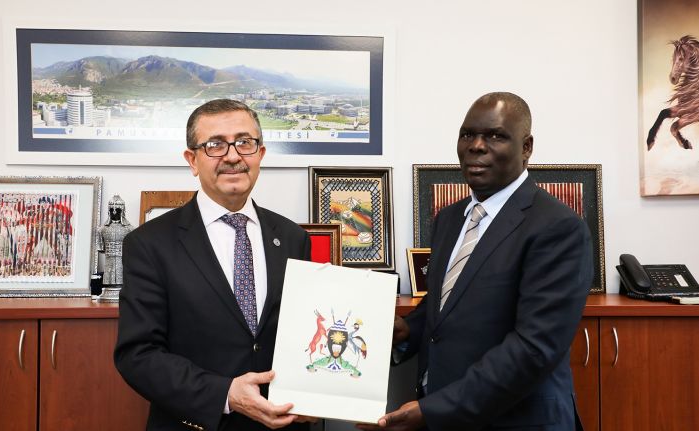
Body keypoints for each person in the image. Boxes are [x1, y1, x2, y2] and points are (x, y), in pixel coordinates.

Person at [359, 92, 593, 431]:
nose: (476, 146)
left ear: (526, 147)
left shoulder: (558, 227)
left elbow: (533, 349)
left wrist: (434, 411)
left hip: (516, 422)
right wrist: (410, 328)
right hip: (446, 414)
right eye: (467, 134)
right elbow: (448, 303)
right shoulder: (450, 218)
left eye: (495, 136)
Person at [114, 99, 312, 431]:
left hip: (283, 424)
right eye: (215, 145)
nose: (233, 156)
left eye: (244, 142)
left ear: (260, 154)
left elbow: (304, 336)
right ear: (192, 160)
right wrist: (225, 394)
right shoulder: (149, 244)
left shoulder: (293, 238)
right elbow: (138, 355)